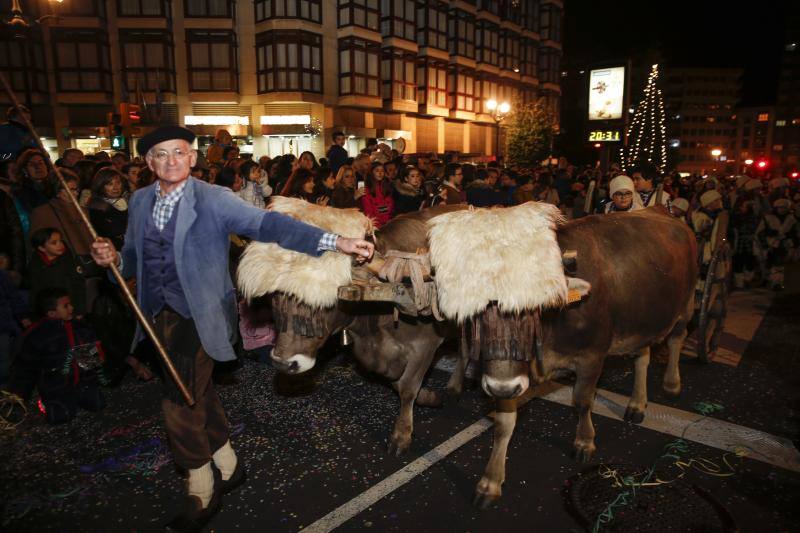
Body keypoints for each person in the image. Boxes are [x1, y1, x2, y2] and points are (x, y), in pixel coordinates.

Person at [90, 126, 374, 531]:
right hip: (157, 315)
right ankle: (228, 462)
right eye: (160, 154)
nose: (170, 160)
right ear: (149, 162)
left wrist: (335, 242)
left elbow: (272, 227)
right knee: (196, 388)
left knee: (178, 396)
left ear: (191, 158)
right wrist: (111, 260)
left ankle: (200, 483)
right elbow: (132, 259)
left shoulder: (214, 198)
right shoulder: (138, 201)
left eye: (178, 152)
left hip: (201, 313)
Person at [3, 287, 105, 424]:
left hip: (81, 383)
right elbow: (25, 368)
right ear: (51, 313)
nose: (72, 308)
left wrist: (94, 376)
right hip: (56, 388)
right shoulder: (38, 335)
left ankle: (80, 395)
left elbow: (92, 360)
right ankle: (47, 402)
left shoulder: (80, 328)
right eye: (66, 306)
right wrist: (17, 396)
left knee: (97, 403)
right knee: (60, 416)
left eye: (70, 304)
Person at [28, 227, 87, 318]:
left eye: (60, 241)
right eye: (54, 243)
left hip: (71, 311)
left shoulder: (70, 261)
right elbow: (35, 291)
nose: (60, 245)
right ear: (42, 248)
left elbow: (79, 287)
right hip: (50, 314)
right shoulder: (35, 265)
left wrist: (79, 311)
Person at [755, 198, 797, 291]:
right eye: (780, 208)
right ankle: (767, 279)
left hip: (782, 245)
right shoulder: (768, 218)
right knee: (767, 263)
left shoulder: (791, 219)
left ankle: (777, 282)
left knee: (778, 264)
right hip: (769, 244)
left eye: (784, 208)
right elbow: (760, 232)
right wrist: (769, 235)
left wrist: (791, 242)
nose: (782, 210)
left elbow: (794, 233)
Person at [88, 168, 129, 250]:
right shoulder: (97, 207)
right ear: (100, 186)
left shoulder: (128, 201)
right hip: (113, 251)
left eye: (118, 183)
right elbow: (113, 231)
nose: (115, 187)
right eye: (110, 184)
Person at [692, 189, 724, 264]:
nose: (719, 203)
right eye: (716, 201)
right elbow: (700, 229)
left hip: (714, 247)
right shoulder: (701, 216)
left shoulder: (718, 214)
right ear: (709, 203)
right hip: (705, 249)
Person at [359, 162, 394, 228]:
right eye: (377, 170)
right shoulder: (366, 190)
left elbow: (391, 208)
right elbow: (368, 213)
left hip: (388, 224)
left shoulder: (387, 187)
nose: (380, 173)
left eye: (382, 171)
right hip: (375, 226)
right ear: (371, 173)